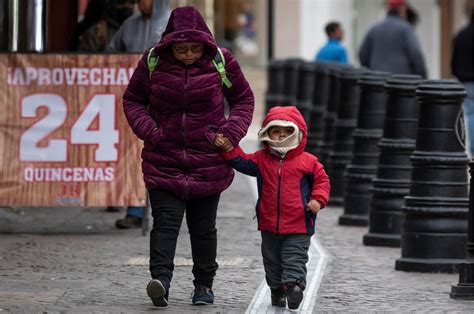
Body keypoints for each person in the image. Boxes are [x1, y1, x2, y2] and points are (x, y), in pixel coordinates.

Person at [122, 6, 254, 307]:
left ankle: (203, 285)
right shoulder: (153, 61)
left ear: (204, 44)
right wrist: (151, 131)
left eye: (195, 49)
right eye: (182, 49)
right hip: (163, 158)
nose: (189, 54)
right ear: (170, 44)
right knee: (165, 224)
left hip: (208, 160)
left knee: (203, 228)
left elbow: (243, 99)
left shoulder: (221, 61)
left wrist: (230, 132)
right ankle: (161, 281)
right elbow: (133, 100)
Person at [215, 106, 330, 310]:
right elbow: (242, 162)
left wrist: (318, 200)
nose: (281, 136)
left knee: (294, 258)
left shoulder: (308, 162)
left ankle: (294, 287)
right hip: (269, 224)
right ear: (267, 133)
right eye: (276, 131)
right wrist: (229, 149)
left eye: (287, 132)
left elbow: (322, 181)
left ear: (298, 133)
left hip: (299, 224)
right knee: (272, 261)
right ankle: (277, 290)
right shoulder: (261, 159)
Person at [111, 0, 170, 229]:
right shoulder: (130, 24)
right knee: (133, 155)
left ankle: (165, 209)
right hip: (134, 101)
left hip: (164, 102)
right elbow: (111, 55)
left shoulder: (170, 23)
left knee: (162, 157)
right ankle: (135, 209)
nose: (141, 3)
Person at [358, 0, 427, 78]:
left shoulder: (374, 29)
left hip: (377, 83)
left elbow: (362, 54)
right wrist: (422, 78)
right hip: (400, 84)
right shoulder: (406, 29)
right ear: (402, 9)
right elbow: (416, 54)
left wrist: (371, 71)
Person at [452, 5, 474, 155]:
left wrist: (460, 75)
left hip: (465, 82)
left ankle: (473, 149)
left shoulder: (460, 35)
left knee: (471, 116)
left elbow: (453, 63)